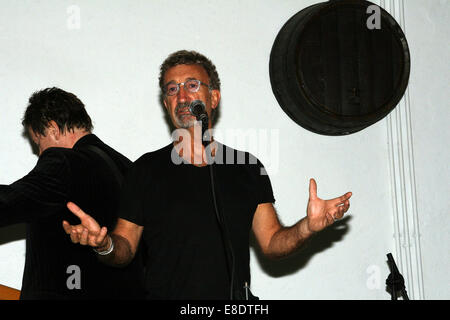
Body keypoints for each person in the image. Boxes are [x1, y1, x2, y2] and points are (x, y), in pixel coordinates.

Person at [63, 50, 352, 300]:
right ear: (166, 104)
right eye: (172, 89)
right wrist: (104, 245)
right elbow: (124, 248)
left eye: (191, 85)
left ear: (213, 98)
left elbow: (273, 243)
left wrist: (308, 227)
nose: (182, 96)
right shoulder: (145, 170)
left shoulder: (247, 168)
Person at [0, 87, 145, 299]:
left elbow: (9, 203)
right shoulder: (129, 168)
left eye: (38, 143)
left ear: (52, 128)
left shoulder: (63, 162)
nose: (40, 153)